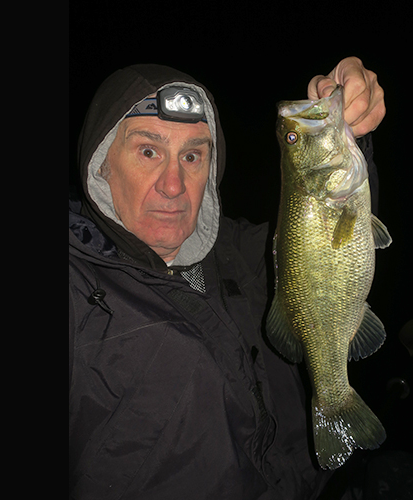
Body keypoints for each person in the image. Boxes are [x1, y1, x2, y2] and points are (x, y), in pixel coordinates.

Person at [69, 57, 386, 499]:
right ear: (101, 163)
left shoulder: (246, 254)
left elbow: (330, 238)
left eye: (193, 155)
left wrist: (354, 134)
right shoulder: (75, 287)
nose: (174, 183)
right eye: (148, 151)